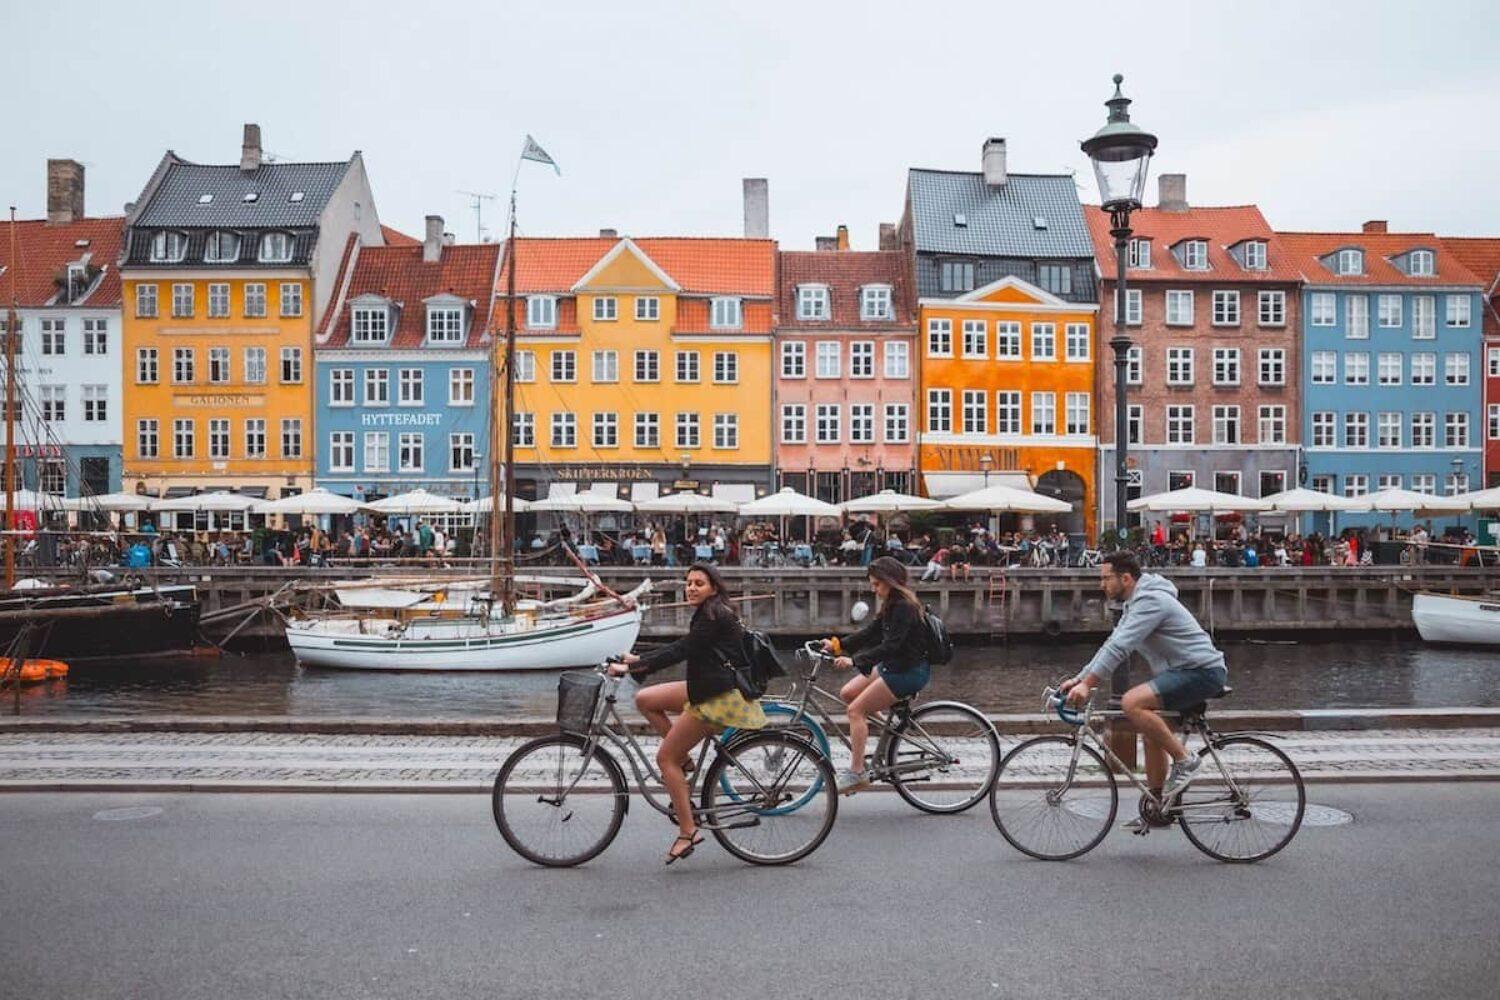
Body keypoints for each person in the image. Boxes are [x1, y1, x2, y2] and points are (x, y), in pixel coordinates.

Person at [610, 563, 764, 864]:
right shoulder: (711, 610)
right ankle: (686, 760)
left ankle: (688, 831)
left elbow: (682, 650)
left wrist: (631, 667)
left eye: (699, 583)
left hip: (717, 697)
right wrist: (640, 658)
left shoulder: (713, 615)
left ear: (713, 588)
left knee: (664, 758)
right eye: (689, 582)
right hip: (706, 685)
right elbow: (684, 647)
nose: (691, 587)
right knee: (645, 699)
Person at [1061, 552, 1228, 828]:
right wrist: (1079, 679)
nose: (1101, 584)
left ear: (1125, 578)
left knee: (1131, 703)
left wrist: (1089, 685)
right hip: (1182, 672)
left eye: (1105, 578)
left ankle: (1186, 761)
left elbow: (1119, 648)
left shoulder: (1151, 601)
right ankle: (1158, 807)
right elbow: (1111, 643)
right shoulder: (1134, 604)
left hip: (1202, 671)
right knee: (1152, 729)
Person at [819, 556, 931, 795]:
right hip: (894, 665)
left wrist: (855, 661)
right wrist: (837, 645)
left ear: (890, 582)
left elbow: (891, 646)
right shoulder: (892, 604)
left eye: (876, 584)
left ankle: (857, 773)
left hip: (908, 672)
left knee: (855, 711)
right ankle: (888, 735)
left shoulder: (904, 607)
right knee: (848, 692)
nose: (873, 589)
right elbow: (871, 633)